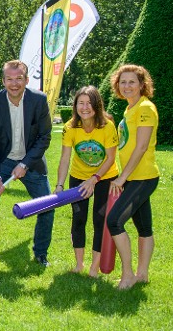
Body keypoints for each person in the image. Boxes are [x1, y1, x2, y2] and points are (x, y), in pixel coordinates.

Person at [0, 60, 53, 275]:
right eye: (9, 79)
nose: (14, 83)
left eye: (19, 78)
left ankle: (40, 252)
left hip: (31, 161)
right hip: (0, 160)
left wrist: (25, 164)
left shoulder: (39, 100)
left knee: (46, 206)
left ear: (26, 80)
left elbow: (44, 136)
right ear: (3, 81)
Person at [55, 86, 119, 277]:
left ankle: (94, 267)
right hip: (79, 176)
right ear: (75, 106)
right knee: (79, 219)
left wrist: (94, 179)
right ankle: (79, 264)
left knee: (100, 220)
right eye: (81, 103)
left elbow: (110, 158)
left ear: (97, 105)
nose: (85, 107)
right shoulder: (70, 127)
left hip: (105, 177)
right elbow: (65, 158)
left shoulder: (107, 126)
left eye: (89, 103)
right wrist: (59, 184)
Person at [107, 64, 159, 290]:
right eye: (123, 82)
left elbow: (141, 147)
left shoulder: (145, 108)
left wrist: (121, 178)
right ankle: (142, 275)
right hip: (133, 177)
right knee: (144, 227)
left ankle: (128, 275)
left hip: (142, 177)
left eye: (132, 82)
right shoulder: (130, 109)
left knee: (114, 221)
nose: (126, 86)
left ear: (142, 85)